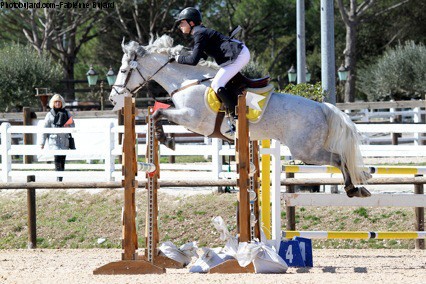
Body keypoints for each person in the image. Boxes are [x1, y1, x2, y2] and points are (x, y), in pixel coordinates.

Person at [173, 7, 250, 118]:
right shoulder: (200, 32)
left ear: (191, 22)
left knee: (216, 84)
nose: (180, 26)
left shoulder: (199, 33)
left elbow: (193, 61)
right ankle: (233, 109)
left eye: (182, 22)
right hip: (239, 53)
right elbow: (201, 57)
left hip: (239, 55)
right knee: (219, 81)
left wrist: (178, 59)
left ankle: (237, 116)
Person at [40, 94, 75, 181]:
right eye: (56, 102)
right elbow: (45, 128)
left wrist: (68, 125)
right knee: (57, 158)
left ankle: (60, 178)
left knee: (62, 159)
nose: (58, 103)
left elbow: (73, 125)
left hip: (64, 141)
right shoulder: (49, 114)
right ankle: (58, 177)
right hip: (54, 140)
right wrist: (42, 142)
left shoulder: (67, 113)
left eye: (59, 102)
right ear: (53, 103)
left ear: (61, 103)